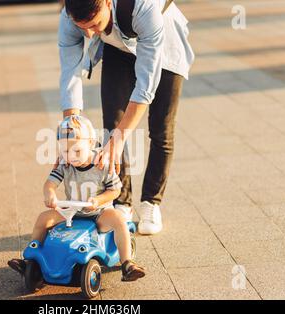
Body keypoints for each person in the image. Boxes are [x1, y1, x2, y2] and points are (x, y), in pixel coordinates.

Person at [58, 0, 194, 234]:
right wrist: (69, 134)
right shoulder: (69, 17)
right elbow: (70, 73)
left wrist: (120, 138)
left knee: (161, 130)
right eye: (83, 27)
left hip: (165, 44)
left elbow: (145, 87)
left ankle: (151, 202)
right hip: (119, 48)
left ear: (107, 3)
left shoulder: (143, 8)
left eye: (94, 24)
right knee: (112, 126)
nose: (90, 34)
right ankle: (122, 202)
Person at [8, 115, 146, 282]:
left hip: (99, 213)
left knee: (119, 219)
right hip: (71, 212)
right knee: (43, 219)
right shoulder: (65, 165)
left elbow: (115, 190)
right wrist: (49, 193)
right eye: (65, 151)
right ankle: (31, 258)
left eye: (77, 151)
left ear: (90, 143)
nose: (71, 156)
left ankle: (127, 264)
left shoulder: (101, 164)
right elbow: (50, 183)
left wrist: (98, 201)